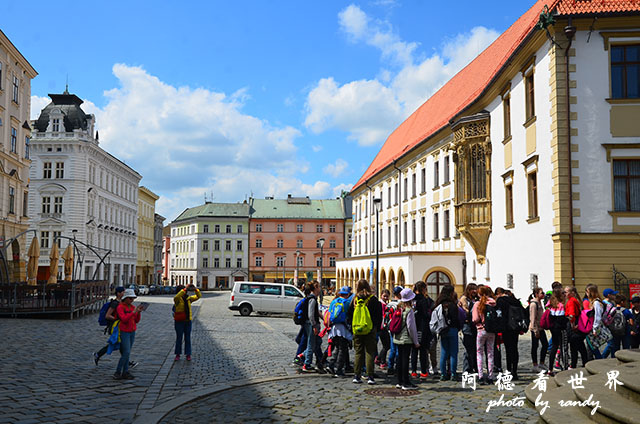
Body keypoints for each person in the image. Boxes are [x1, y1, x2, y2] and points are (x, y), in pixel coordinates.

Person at [347, 279, 382, 385]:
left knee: (358, 353)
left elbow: (349, 315)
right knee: (370, 353)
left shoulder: (354, 299)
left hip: (357, 330)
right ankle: (370, 376)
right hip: (370, 329)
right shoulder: (373, 300)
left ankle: (356, 376)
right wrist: (376, 328)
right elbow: (379, 315)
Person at [94, 287, 136, 366]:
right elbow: (107, 316)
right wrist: (118, 319)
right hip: (115, 327)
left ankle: (126, 361)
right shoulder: (115, 303)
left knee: (120, 345)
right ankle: (98, 354)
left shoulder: (122, 303)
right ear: (118, 293)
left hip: (121, 326)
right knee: (116, 344)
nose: (124, 293)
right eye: (123, 292)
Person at [393, 288, 420, 390]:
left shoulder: (399, 307)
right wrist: (416, 341)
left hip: (398, 337)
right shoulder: (409, 311)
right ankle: (406, 382)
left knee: (399, 359)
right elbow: (411, 327)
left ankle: (399, 381)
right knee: (405, 360)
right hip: (406, 338)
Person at [114, 289, 143, 380]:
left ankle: (125, 372)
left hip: (132, 331)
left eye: (133, 298)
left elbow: (137, 321)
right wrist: (133, 313)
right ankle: (118, 371)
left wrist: (138, 313)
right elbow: (124, 319)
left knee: (127, 353)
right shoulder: (120, 307)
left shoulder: (132, 307)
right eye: (130, 298)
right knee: (126, 352)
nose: (132, 300)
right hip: (124, 331)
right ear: (125, 298)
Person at [433, 284, 461, 381]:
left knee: (444, 353)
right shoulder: (453, 305)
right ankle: (453, 373)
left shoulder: (439, 304)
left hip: (443, 330)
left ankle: (443, 374)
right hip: (452, 329)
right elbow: (455, 318)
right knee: (453, 353)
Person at [497, 289, 526, 380]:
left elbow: (499, 315)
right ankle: (515, 371)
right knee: (514, 348)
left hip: (506, 328)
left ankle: (509, 370)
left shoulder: (501, 301)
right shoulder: (516, 301)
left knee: (508, 350)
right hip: (515, 328)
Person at [326, 286, 353, 377]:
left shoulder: (334, 301)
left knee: (337, 347)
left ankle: (331, 364)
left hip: (334, 328)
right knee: (342, 349)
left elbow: (329, 315)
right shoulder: (347, 303)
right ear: (348, 294)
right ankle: (339, 369)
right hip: (343, 328)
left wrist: (329, 327)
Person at [472, 286, 496, 385]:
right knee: (490, 353)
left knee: (479, 353)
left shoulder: (477, 304)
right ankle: (490, 376)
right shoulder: (493, 303)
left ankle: (481, 376)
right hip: (492, 331)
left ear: (479, 294)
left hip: (481, 330)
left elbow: (475, 319)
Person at [173, 283, 202, 361]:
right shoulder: (177, 299)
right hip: (179, 321)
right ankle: (177, 354)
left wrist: (195, 289)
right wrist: (185, 289)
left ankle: (188, 354)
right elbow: (177, 296)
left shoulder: (188, 298)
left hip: (188, 321)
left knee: (188, 338)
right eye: (183, 291)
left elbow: (198, 296)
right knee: (179, 338)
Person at [411, 281, 432, 379]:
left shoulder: (411, 298)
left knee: (414, 350)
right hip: (422, 326)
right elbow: (425, 314)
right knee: (423, 350)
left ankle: (414, 371)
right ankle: (423, 371)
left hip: (412, 326)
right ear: (423, 289)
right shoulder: (423, 299)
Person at [302, 281, 324, 372]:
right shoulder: (312, 299)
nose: (320, 289)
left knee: (317, 342)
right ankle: (307, 364)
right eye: (319, 287)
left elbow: (316, 312)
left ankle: (303, 355)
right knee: (311, 344)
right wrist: (314, 325)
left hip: (311, 324)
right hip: (311, 324)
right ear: (315, 288)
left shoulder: (312, 298)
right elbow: (311, 314)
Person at [565, 286, 588, 369]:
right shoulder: (574, 300)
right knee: (579, 345)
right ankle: (583, 362)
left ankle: (574, 364)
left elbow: (572, 315)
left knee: (574, 345)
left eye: (566, 292)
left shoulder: (571, 301)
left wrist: (572, 326)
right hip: (577, 324)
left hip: (573, 325)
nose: (565, 293)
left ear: (572, 293)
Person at [547, 288, 568, 375]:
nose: (565, 294)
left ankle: (550, 368)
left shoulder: (551, 304)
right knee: (563, 347)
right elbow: (561, 319)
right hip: (560, 329)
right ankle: (564, 367)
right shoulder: (561, 305)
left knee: (554, 348)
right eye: (563, 293)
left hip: (553, 328)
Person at [459, 283, 478, 374]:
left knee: (474, 348)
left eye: (476, 289)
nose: (475, 291)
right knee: (468, 348)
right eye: (473, 289)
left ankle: (473, 367)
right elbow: (465, 311)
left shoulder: (474, 299)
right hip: (467, 326)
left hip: (474, 326)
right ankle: (467, 369)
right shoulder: (464, 299)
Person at [586, 284, 608, 359]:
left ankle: (599, 360)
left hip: (594, 327)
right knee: (592, 346)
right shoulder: (595, 302)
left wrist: (595, 328)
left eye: (587, 292)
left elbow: (597, 316)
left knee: (593, 346)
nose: (586, 293)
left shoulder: (596, 302)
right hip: (593, 326)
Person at [529, 287, 548, 372]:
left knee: (545, 345)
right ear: (536, 294)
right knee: (535, 346)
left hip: (541, 327)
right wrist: (535, 329)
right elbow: (533, 318)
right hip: (536, 328)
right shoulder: (534, 304)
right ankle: (535, 365)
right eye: (541, 293)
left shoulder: (540, 303)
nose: (543, 294)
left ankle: (542, 363)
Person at [386, 286, 403, 376]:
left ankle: (390, 367)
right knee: (398, 349)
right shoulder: (402, 304)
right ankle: (398, 367)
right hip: (399, 328)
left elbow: (385, 317)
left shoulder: (390, 304)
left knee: (392, 348)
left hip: (391, 328)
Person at [377, 289, 391, 370]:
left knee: (386, 345)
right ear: (381, 295)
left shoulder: (386, 304)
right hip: (382, 327)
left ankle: (381, 359)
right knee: (386, 345)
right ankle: (381, 360)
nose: (386, 297)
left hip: (385, 327)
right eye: (384, 296)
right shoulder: (381, 304)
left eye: (387, 296)